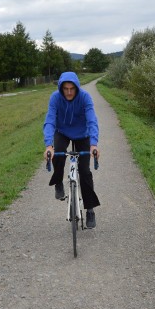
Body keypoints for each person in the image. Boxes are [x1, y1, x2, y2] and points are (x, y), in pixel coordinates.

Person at [43, 72, 100, 229]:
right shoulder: (55, 98)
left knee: (85, 171)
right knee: (58, 153)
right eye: (65, 89)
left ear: (77, 88)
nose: (68, 92)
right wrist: (49, 146)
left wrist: (93, 144)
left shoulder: (85, 97)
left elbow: (92, 120)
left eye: (72, 89)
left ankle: (90, 210)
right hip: (62, 131)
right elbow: (49, 120)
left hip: (83, 134)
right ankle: (58, 182)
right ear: (61, 88)